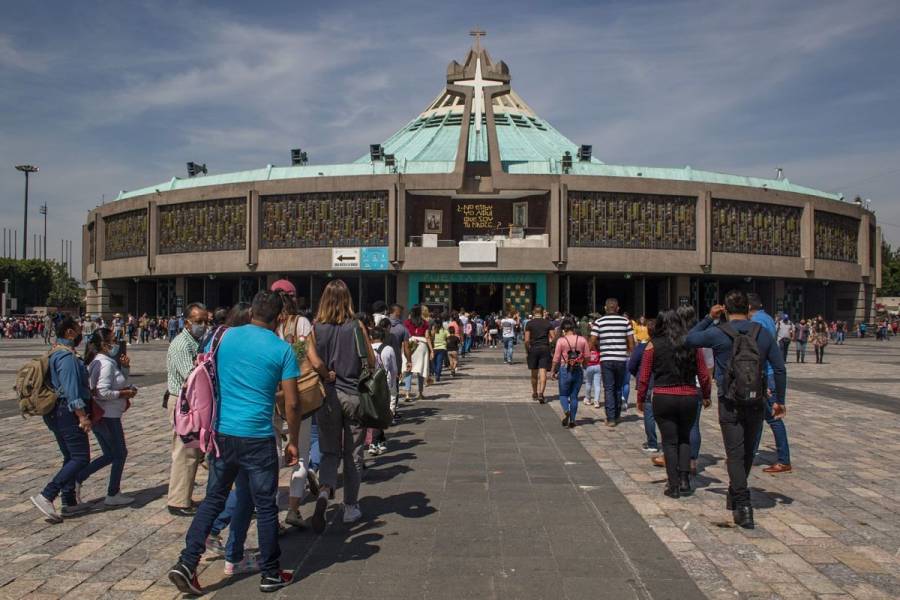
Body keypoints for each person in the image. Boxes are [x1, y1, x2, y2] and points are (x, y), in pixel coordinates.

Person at [168, 291, 299, 595]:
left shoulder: (221, 337)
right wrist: (292, 441)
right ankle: (269, 573)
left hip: (222, 433)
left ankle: (187, 562)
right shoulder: (283, 350)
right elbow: (292, 404)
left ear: (252, 310)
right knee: (265, 506)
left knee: (213, 499)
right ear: (280, 317)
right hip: (258, 436)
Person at [685, 290, 786, 529]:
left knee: (734, 452)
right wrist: (780, 399)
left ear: (726, 310)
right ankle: (736, 492)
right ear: (750, 309)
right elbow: (779, 369)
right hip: (757, 400)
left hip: (729, 400)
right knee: (748, 451)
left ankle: (742, 503)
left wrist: (709, 317)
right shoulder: (762, 334)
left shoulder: (718, 333)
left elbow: (690, 338)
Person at [311, 279, 376, 534]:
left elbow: (313, 361)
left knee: (329, 452)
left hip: (327, 396)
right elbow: (369, 359)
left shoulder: (317, 328)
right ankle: (350, 506)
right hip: (353, 396)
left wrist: (327, 373)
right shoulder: (356, 326)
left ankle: (324, 494)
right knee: (353, 454)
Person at [637, 310, 711, 498]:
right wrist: (706, 394)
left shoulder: (653, 345)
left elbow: (644, 376)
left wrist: (641, 398)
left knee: (669, 442)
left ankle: (673, 484)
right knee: (684, 438)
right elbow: (703, 373)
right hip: (688, 396)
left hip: (663, 396)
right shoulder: (692, 344)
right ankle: (685, 480)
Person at [30, 317, 94, 522]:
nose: (80, 331)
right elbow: (71, 389)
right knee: (81, 457)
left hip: (57, 413)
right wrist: (82, 416)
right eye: (77, 328)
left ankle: (69, 501)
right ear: (69, 333)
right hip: (66, 412)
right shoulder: (66, 358)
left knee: (70, 456)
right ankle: (47, 494)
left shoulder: (55, 353)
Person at [76, 328, 138, 506]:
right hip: (108, 414)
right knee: (119, 453)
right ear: (104, 344)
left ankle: (79, 478)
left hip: (104, 414)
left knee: (110, 454)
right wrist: (125, 393)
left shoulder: (99, 361)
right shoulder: (105, 363)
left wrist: (125, 369)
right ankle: (112, 492)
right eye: (113, 340)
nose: (116, 344)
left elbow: (113, 382)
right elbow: (102, 391)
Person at [165, 302, 208, 517]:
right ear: (188, 322)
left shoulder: (195, 342)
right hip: (182, 401)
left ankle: (184, 496)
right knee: (184, 452)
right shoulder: (182, 344)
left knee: (192, 451)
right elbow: (190, 376)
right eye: (198, 321)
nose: (203, 325)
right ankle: (178, 501)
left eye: (205, 321)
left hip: (190, 401)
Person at [748, 295, 792, 475]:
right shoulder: (767, 317)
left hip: (766, 374)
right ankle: (750, 454)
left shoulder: (757, 321)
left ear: (749, 306)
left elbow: (757, 351)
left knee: (773, 418)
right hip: (768, 373)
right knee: (758, 417)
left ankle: (784, 459)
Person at [590, 298, 635, 427]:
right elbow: (631, 343)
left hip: (606, 360)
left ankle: (610, 419)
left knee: (609, 388)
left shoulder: (599, 322)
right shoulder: (626, 322)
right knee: (618, 388)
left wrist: (596, 350)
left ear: (605, 308)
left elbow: (592, 341)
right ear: (618, 308)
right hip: (621, 359)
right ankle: (617, 415)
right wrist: (630, 356)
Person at [551, 318, 589, 428]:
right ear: (574, 328)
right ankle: (572, 419)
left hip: (564, 369)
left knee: (563, 394)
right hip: (578, 369)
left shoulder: (561, 341)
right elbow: (587, 356)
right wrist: (585, 365)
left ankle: (566, 411)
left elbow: (556, 357)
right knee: (574, 396)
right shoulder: (582, 340)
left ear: (563, 329)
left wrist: (553, 370)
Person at [524, 305, 555, 403]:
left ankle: (534, 393)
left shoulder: (529, 323)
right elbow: (553, 337)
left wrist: (527, 350)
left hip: (533, 348)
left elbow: (526, 340)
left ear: (533, 312)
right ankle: (541, 393)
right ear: (542, 312)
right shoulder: (548, 323)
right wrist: (550, 346)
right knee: (543, 372)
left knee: (534, 373)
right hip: (545, 348)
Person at [403, 305, 431, 401]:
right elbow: (427, 336)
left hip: (410, 344)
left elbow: (405, 335)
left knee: (408, 369)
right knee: (421, 370)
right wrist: (431, 350)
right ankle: (420, 393)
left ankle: (407, 394)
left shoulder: (407, 322)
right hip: (422, 345)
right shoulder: (425, 323)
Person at [583, 337, 602, 409]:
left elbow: (584, 358)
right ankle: (596, 401)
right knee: (597, 385)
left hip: (589, 367)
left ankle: (588, 398)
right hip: (598, 366)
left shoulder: (587, 350)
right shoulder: (598, 349)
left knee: (588, 383)